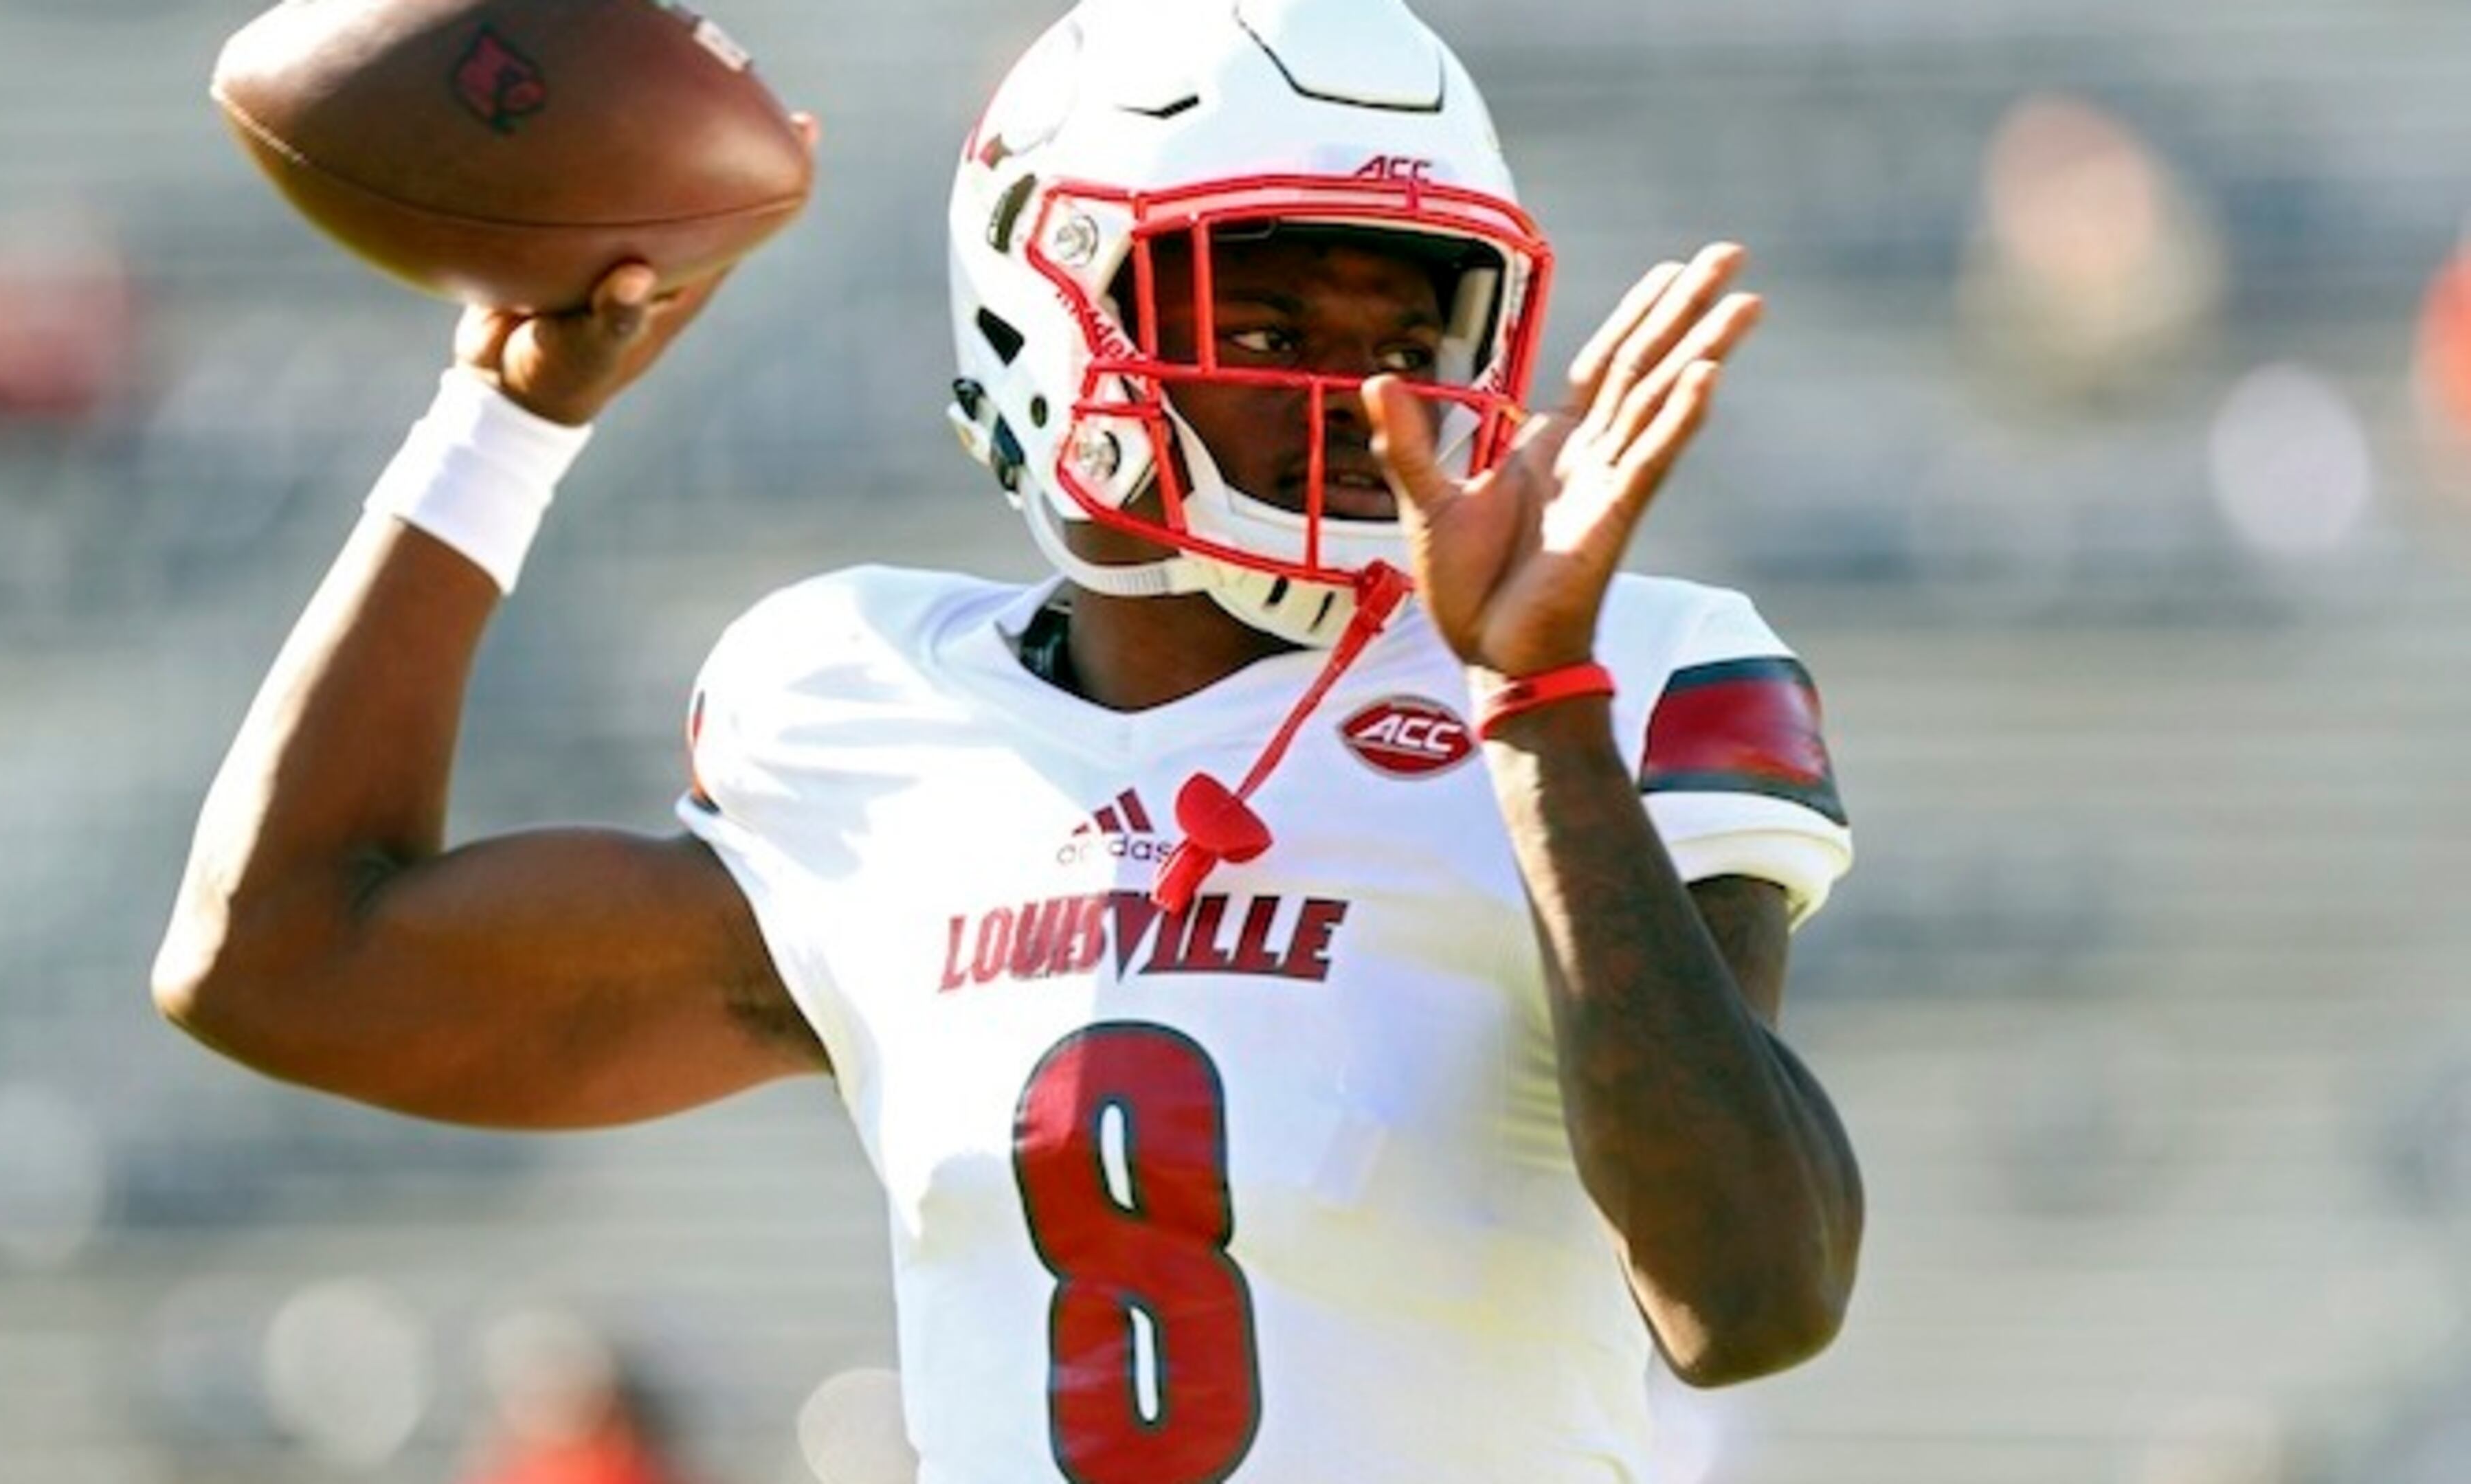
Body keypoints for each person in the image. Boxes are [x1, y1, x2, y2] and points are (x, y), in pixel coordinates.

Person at [153, 1, 1864, 1479]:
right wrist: (505, 424)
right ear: (1051, 313)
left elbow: (1751, 1300)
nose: (1365, 402)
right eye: (1263, 329)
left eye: (1410, 337)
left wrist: (1540, 711)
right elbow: (282, 960)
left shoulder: (1634, 674)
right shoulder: (868, 715)